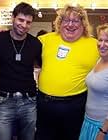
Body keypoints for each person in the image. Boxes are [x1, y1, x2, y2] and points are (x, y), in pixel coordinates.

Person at [35, 4, 99, 140]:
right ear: (60, 22)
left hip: (75, 106)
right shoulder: (44, 40)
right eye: (66, 20)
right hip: (44, 105)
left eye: (76, 21)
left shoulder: (96, 45)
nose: (70, 24)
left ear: (83, 23)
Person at [0, 2, 42, 140]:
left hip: (29, 101)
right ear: (13, 18)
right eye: (21, 20)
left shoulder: (35, 44)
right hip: (4, 101)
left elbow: (42, 65)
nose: (24, 25)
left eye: (28, 22)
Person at [79, 23, 108, 140]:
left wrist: (103, 131)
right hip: (88, 122)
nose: (102, 44)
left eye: (107, 41)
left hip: (103, 127)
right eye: (100, 40)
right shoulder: (99, 60)